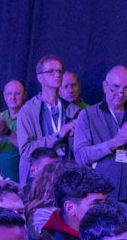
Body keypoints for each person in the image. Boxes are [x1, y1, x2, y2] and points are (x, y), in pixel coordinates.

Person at [73, 65, 127, 203]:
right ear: (105, 86)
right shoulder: (87, 115)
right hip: (98, 196)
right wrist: (115, 142)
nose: (121, 93)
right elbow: (81, 156)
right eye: (115, 87)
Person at [17, 55, 81, 184]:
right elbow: (26, 151)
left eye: (60, 71)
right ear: (40, 77)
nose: (57, 74)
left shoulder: (73, 110)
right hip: (38, 181)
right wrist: (58, 136)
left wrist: (74, 138)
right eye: (51, 71)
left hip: (66, 179)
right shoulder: (28, 110)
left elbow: (79, 152)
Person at [0, 79, 27, 182]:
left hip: (19, 179)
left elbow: (27, 149)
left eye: (17, 94)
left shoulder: (29, 117)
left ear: (25, 95)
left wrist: (7, 132)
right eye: (9, 94)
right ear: (4, 96)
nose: (13, 97)